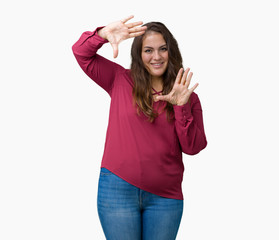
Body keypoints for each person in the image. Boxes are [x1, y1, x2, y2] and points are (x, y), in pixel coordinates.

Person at [72, 15, 207, 240]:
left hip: (165, 196)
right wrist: (103, 34)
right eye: (148, 50)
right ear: (138, 54)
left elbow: (193, 147)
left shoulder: (188, 97)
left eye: (162, 49)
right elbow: (81, 52)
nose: (156, 57)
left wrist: (181, 107)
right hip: (117, 190)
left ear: (171, 52)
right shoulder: (120, 79)